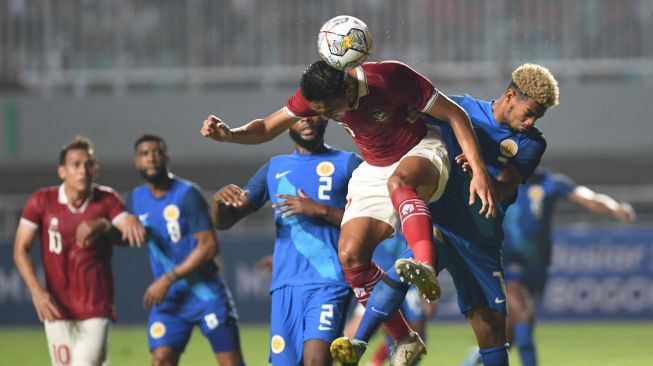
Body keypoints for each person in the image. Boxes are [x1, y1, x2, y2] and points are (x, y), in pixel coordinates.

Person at [201, 59, 497, 364]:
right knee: (350, 254)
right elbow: (265, 127)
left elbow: (454, 113)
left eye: (328, 110)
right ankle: (405, 338)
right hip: (375, 168)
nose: (324, 116)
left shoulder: (388, 77)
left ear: (346, 88)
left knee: (401, 181)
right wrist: (229, 134)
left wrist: (478, 170)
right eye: (319, 110)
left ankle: (424, 264)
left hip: (420, 149)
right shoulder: (315, 98)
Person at [340, 63, 558, 366]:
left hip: (481, 240)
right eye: (529, 112)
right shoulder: (460, 108)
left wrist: (480, 174)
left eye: (538, 117)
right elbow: (409, 115)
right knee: (406, 268)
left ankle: (367, 339)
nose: (531, 121)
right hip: (442, 224)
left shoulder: (531, 143)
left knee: (492, 332)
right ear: (510, 96)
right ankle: (357, 342)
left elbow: (504, 189)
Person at [212, 116, 361, 366]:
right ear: (288, 124)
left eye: (313, 114)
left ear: (324, 118)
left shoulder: (348, 163)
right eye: (299, 117)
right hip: (286, 286)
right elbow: (225, 221)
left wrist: (320, 210)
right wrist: (218, 202)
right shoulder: (274, 168)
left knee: (316, 361)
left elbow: (370, 219)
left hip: (329, 282)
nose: (307, 121)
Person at [13, 135, 145, 366]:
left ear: (95, 169)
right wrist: (37, 292)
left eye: (88, 164)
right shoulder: (41, 201)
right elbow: (20, 249)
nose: (83, 170)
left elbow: (127, 235)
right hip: (56, 307)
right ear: (62, 171)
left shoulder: (107, 200)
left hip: (95, 306)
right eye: (76, 164)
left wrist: (105, 225)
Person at [493, 168, 635, 366]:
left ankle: (475, 358)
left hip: (536, 265)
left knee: (513, 331)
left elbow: (589, 198)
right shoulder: (499, 180)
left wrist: (614, 208)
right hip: (506, 261)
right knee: (524, 316)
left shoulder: (551, 183)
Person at [126, 133, 245, 366]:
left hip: (207, 296)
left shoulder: (187, 193)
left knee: (231, 363)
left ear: (166, 157)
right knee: (160, 360)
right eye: (144, 154)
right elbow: (123, 235)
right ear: (136, 161)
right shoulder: (135, 199)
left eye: (156, 152)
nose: (151, 158)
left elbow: (210, 245)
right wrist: (118, 223)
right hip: (171, 301)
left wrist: (168, 278)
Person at [342, 230, 433, 366]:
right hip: (377, 278)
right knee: (354, 334)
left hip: (407, 276)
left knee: (416, 329)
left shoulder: (409, 214)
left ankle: (379, 361)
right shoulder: (373, 215)